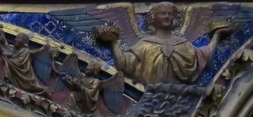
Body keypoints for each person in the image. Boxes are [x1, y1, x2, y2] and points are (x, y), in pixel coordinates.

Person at [94, 2, 231, 85]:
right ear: (153, 18)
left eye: (170, 14)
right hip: (152, 99)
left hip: (181, 100)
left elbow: (204, 57)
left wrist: (217, 36)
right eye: (163, 14)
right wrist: (113, 42)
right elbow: (123, 64)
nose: (167, 17)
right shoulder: (145, 45)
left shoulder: (183, 44)